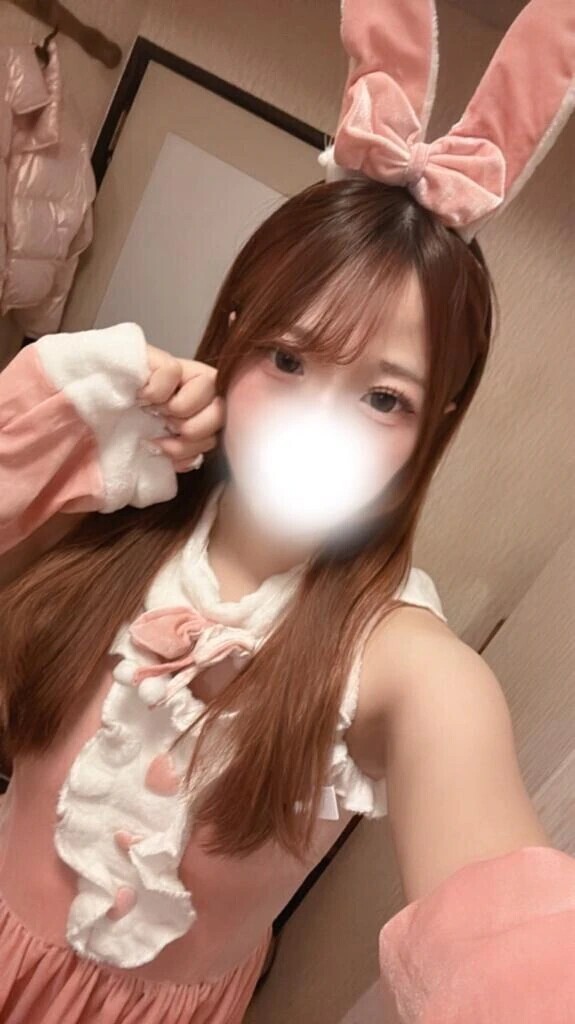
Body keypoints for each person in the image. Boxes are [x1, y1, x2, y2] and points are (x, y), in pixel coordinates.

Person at [1, 1, 574, 1022]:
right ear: (232, 332)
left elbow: (511, 946)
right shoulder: (115, 504)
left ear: (431, 426)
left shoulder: (402, 668)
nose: (318, 420)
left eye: (383, 397)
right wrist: (40, 431)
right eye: (288, 357)